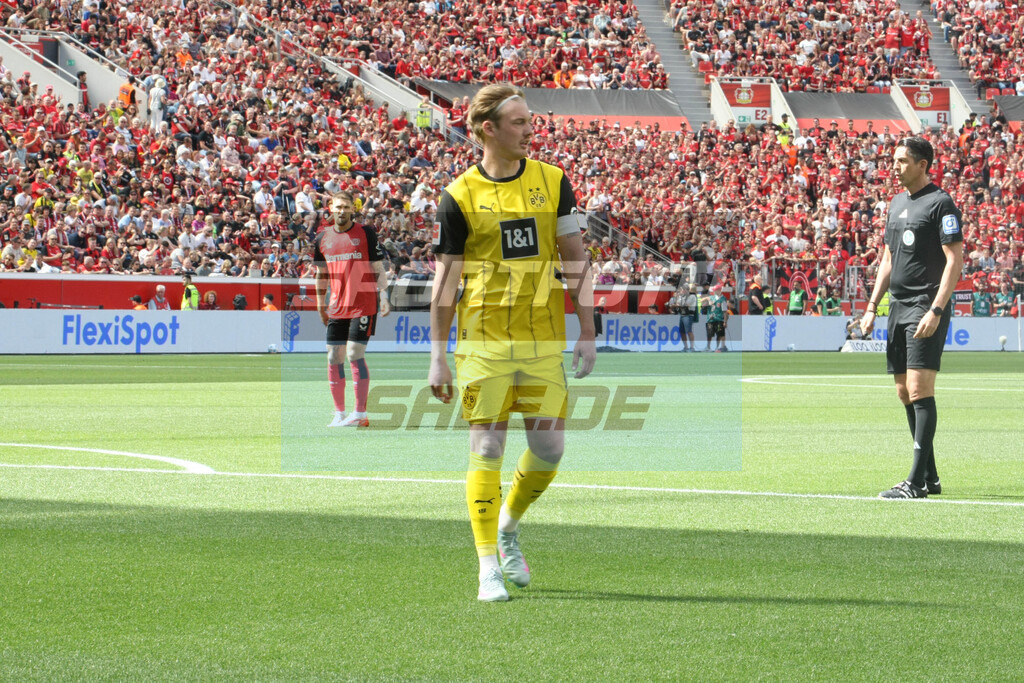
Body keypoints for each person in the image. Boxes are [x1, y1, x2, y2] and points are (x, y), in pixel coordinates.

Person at [428, 84, 595, 602]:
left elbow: (574, 257)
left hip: (542, 340)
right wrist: (437, 353)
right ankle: (486, 567)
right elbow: (446, 280)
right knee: (487, 446)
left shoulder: (554, 181)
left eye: (529, 120)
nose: (530, 130)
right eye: (519, 122)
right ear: (488, 130)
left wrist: (588, 330)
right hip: (482, 340)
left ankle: (507, 527)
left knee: (549, 449)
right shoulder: (458, 196)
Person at [861, 136, 963, 499]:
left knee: (921, 389)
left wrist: (936, 309)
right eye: (894, 160)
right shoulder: (895, 203)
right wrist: (873, 306)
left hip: (924, 304)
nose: (894, 166)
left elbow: (955, 260)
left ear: (923, 164)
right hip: (898, 306)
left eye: (902, 161)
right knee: (904, 392)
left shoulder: (941, 204)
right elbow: (888, 259)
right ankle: (931, 478)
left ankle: (915, 482)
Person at [314, 192, 391, 428]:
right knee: (333, 357)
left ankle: (360, 413)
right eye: (338, 206)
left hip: (363, 304)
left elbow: (377, 266)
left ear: (352, 210)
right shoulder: (321, 238)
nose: (342, 210)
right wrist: (320, 304)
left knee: (353, 354)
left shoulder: (366, 233)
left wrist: (384, 294)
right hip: (337, 306)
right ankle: (339, 413)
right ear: (330, 208)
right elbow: (321, 273)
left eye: (346, 207)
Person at [705, 284, 729, 351]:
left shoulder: (723, 299)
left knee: (720, 334)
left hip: (719, 319)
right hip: (710, 318)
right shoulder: (711, 297)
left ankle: (718, 347)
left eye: (715, 290)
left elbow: (724, 311)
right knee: (709, 334)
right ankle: (708, 347)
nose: (714, 292)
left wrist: (725, 321)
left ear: (719, 290)